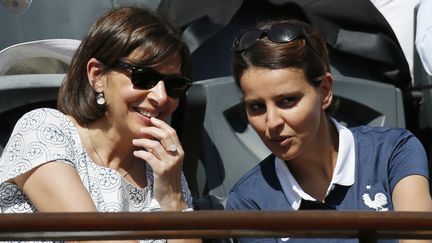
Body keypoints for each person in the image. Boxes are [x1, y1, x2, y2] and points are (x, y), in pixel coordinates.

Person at [0, 6, 201, 243]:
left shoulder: (163, 168)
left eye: (174, 85)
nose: (161, 96)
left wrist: (172, 198)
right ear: (97, 75)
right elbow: (92, 238)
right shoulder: (44, 129)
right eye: (144, 77)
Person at [226, 18, 432, 242]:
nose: (272, 121)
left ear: (324, 91)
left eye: (287, 101)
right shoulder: (248, 201)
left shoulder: (394, 151)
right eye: (256, 107)